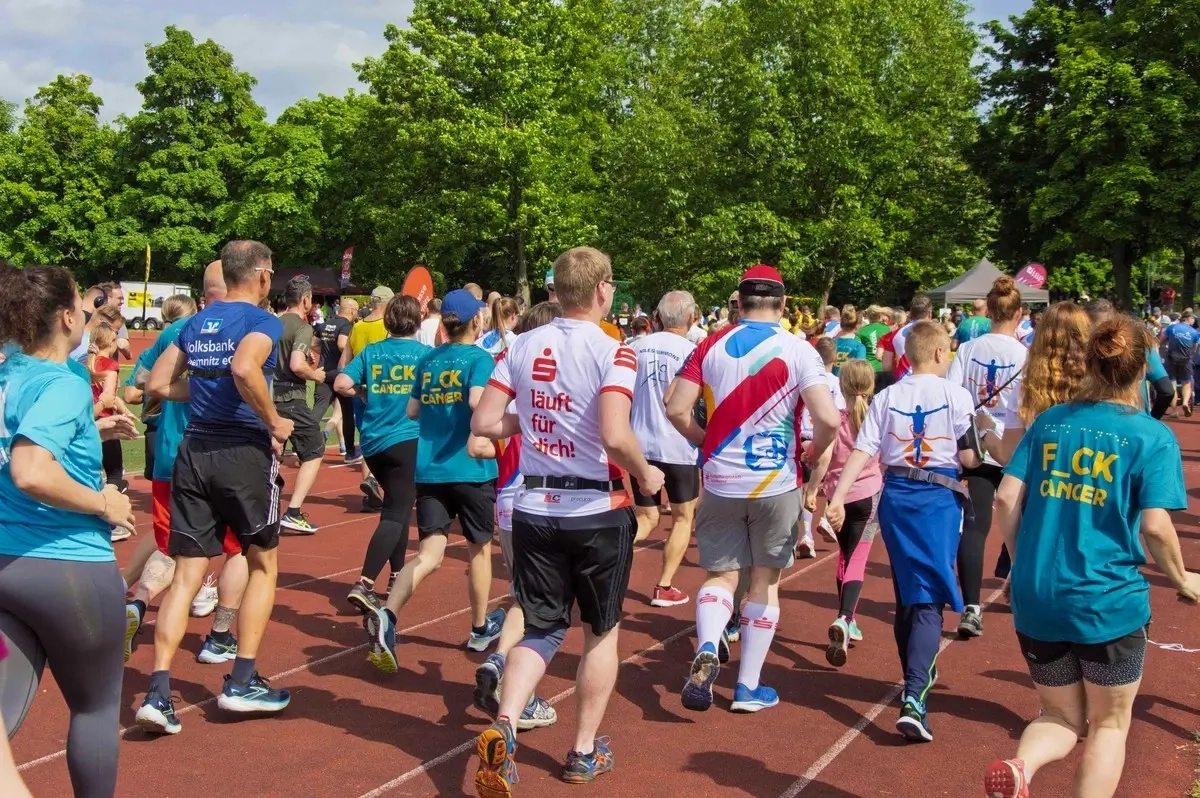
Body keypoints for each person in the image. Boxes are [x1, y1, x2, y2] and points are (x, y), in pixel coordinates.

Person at [470, 247, 664, 792]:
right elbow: (613, 434)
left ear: (555, 289)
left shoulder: (520, 344)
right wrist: (647, 475)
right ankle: (581, 752)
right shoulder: (615, 350)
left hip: (532, 507)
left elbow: (485, 420)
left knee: (540, 627)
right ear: (603, 289)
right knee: (600, 633)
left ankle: (505, 726)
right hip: (597, 508)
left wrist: (530, 421)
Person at [983, 315, 1200, 798]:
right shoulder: (1149, 436)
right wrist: (1184, 579)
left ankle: (1022, 765)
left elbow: (1005, 499)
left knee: (1059, 716)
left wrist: (1022, 565)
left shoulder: (1051, 421)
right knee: (1108, 726)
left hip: (1037, 597)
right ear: (1141, 370)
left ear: (1089, 363)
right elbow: (1156, 526)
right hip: (1107, 602)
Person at [665, 264, 839, 714]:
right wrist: (813, 453)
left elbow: (676, 408)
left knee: (720, 576)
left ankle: (707, 644)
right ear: (783, 306)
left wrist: (706, 443)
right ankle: (747, 687)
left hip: (721, 480)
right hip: (776, 482)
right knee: (764, 581)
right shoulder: (800, 350)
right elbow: (830, 419)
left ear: (739, 303)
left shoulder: (708, 344)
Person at [137, 240, 293, 734]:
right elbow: (245, 368)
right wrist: (274, 420)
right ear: (263, 276)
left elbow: (157, 385)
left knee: (186, 575)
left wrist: (208, 389)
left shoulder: (192, 324)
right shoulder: (261, 321)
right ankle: (242, 680)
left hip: (193, 450)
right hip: (243, 453)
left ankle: (158, 693)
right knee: (262, 563)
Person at [0, 265, 137, 798]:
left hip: (5, 564)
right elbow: (31, 468)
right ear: (65, 316)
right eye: (82, 302)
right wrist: (103, 502)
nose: (87, 311)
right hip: (67, 566)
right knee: (97, 706)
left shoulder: (7, 372)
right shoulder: (64, 380)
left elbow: (17, 441)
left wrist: (89, 431)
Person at [826, 321, 980, 742]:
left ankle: (914, 683)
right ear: (937, 353)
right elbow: (969, 457)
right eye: (947, 351)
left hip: (896, 498)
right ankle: (914, 697)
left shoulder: (889, 395)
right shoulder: (957, 395)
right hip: (938, 501)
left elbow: (863, 449)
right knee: (927, 597)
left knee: (910, 594)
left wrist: (838, 496)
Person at [362, 288, 505, 673]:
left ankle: (389, 614)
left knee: (428, 554)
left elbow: (411, 411)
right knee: (479, 550)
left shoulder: (428, 360)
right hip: (471, 470)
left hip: (430, 471)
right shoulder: (479, 359)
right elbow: (478, 403)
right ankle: (479, 627)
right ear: (477, 321)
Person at [469, 301, 564, 733]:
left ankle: (498, 658)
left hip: (508, 502)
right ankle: (514, 685)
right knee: (544, 609)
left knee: (524, 595)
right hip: (545, 501)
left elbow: (478, 444)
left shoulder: (513, 372)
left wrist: (511, 434)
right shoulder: (558, 383)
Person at [334, 295, 430, 613]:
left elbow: (342, 384)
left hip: (374, 443)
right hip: (408, 440)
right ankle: (364, 582)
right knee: (396, 513)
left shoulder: (372, 352)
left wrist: (363, 392)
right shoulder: (425, 355)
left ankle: (396, 575)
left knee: (396, 507)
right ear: (417, 321)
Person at [945, 277, 1026, 639]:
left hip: (975, 448)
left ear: (988, 311)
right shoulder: (1026, 355)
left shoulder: (968, 349)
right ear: (1020, 314)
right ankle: (1020, 587)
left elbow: (954, 396)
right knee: (1021, 524)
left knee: (974, 528)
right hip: (1014, 449)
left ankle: (972, 607)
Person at [805, 359, 881, 667]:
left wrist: (812, 489)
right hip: (868, 496)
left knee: (844, 557)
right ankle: (846, 617)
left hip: (838, 498)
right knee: (858, 560)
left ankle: (848, 619)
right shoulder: (877, 418)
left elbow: (821, 459)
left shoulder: (835, 419)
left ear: (842, 385)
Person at [629, 291, 701, 607]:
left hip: (639, 444)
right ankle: (664, 585)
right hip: (679, 445)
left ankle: (602, 556)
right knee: (684, 517)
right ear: (691, 318)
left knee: (646, 517)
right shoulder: (695, 353)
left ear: (657, 317)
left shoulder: (633, 348)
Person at [272, 276, 326, 534]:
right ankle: (292, 511)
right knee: (315, 448)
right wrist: (316, 375)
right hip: (291, 398)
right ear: (305, 300)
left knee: (272, 450)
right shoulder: (302, 328)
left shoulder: (271, 324)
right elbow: (296, 364)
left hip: (267, 397)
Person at [345, 286, 395, 508]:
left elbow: (344, 364)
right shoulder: (388, 328)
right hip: (384, 389)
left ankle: (370, 484)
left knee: (366, 436)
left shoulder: (356, 327)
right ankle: (379, 481)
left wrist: (357, 388)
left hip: (360, 388)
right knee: (391, 437)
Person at [313, 297, 359, 462]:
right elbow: (341, 344)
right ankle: (350, 452)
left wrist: (326, 353)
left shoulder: (326, 323)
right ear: (352, 311)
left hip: (323, 372)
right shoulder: (346, 325)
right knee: (347, 414)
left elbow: (314, 343)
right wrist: (349, 355)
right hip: (340, 373)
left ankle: (303, 446)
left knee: (317, 411)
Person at [880, 295, 934, 382]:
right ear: (930, 314)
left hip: (903, 381)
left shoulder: (894, 334)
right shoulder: (936, 333)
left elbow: (886, 366)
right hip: (930, 381)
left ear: (911, 313)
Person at [1160, 310, 1199, 415]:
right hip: (1186, 359)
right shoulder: (1195, 332)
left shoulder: (1172, 328)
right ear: (1188, 319)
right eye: (1193, 319)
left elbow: (1161, 340)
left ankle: (1174, 411)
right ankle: (1185, 402)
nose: (1194, 321)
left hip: (1171, 358)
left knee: (1172, 383)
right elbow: (1194, 349)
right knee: (1186, 383)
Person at [833, 307, 867, 374]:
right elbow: (860, 369)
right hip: (849, 382)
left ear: (841, 325)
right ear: (856, 326)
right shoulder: (859, 346)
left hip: (832, 381)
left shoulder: (831, 343)